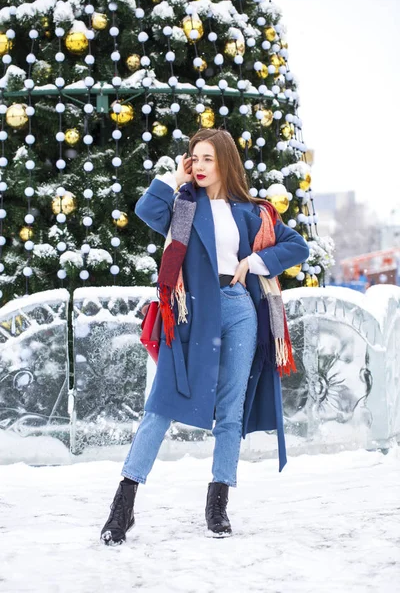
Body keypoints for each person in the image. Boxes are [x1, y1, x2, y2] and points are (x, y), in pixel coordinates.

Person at [100, 128, 309, 545]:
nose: (199, 165)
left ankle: (218, 505)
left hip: (238, 309)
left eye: (208, 158)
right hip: (191, 311)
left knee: (230, 411)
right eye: (194, 157)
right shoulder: (182, 207)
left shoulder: (252, 211)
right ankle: (123, 503)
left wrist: (254, 260)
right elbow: (145, 209)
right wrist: (173, 179)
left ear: (226, 162)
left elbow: (296, 246)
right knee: (160, 406)